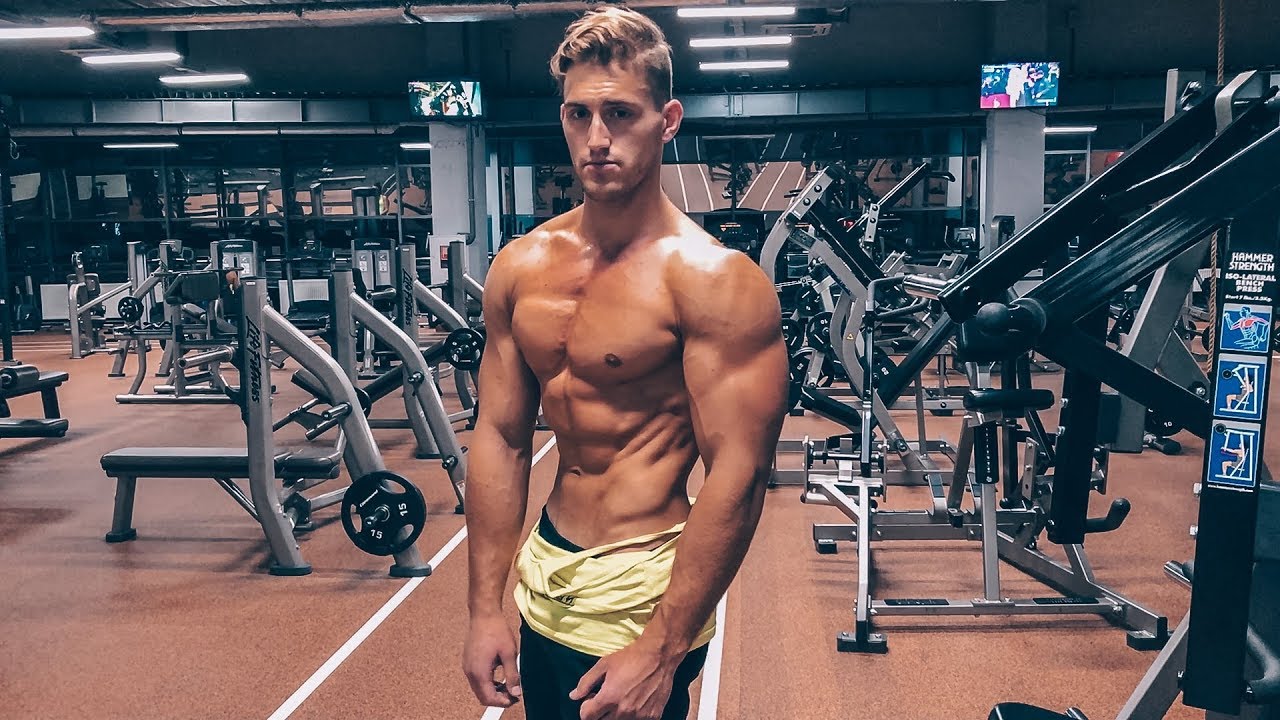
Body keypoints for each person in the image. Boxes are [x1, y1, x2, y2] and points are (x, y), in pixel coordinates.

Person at [461, 6, 789, 720]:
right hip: (547, 572)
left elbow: (740, 473)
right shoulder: (520, 266)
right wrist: (485, 608)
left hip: (645, 591)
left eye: (620, 113)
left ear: (667, 120)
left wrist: (662, 650)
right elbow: (502, 437)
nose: (597, 138)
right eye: (578, 115)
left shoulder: (715, 281)